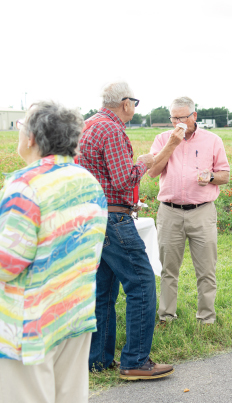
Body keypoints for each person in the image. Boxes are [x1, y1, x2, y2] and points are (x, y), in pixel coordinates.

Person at [0, 102, 107, 402]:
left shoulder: (25, 185)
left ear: (32, 137)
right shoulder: (88, 182)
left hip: (30, 321)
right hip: (75, 311)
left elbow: (7, 264)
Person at [78, 81, 173, 380]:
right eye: (135, 101)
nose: (134, 106)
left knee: (104, 290)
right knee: (142, 284)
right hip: (115, 217)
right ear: (125, 102)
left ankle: (98, 359)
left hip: (93, 217)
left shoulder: (89, 125)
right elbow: (122, 180)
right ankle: (135, 361)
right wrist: (143, 163)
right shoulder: (112, 129)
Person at [148, 97, 230, 325]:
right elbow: (152, 171)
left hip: (202, 211)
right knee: (168, 269)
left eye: (181, 117)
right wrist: (172, 144)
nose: (177, 122)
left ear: (194, 116)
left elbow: (224, 175)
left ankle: (206, 318)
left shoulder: (213, 140)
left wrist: (211, 177)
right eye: (173, 117)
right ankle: (166, 315)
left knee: (206, 269)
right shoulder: (162, 139)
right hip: (169, 211)